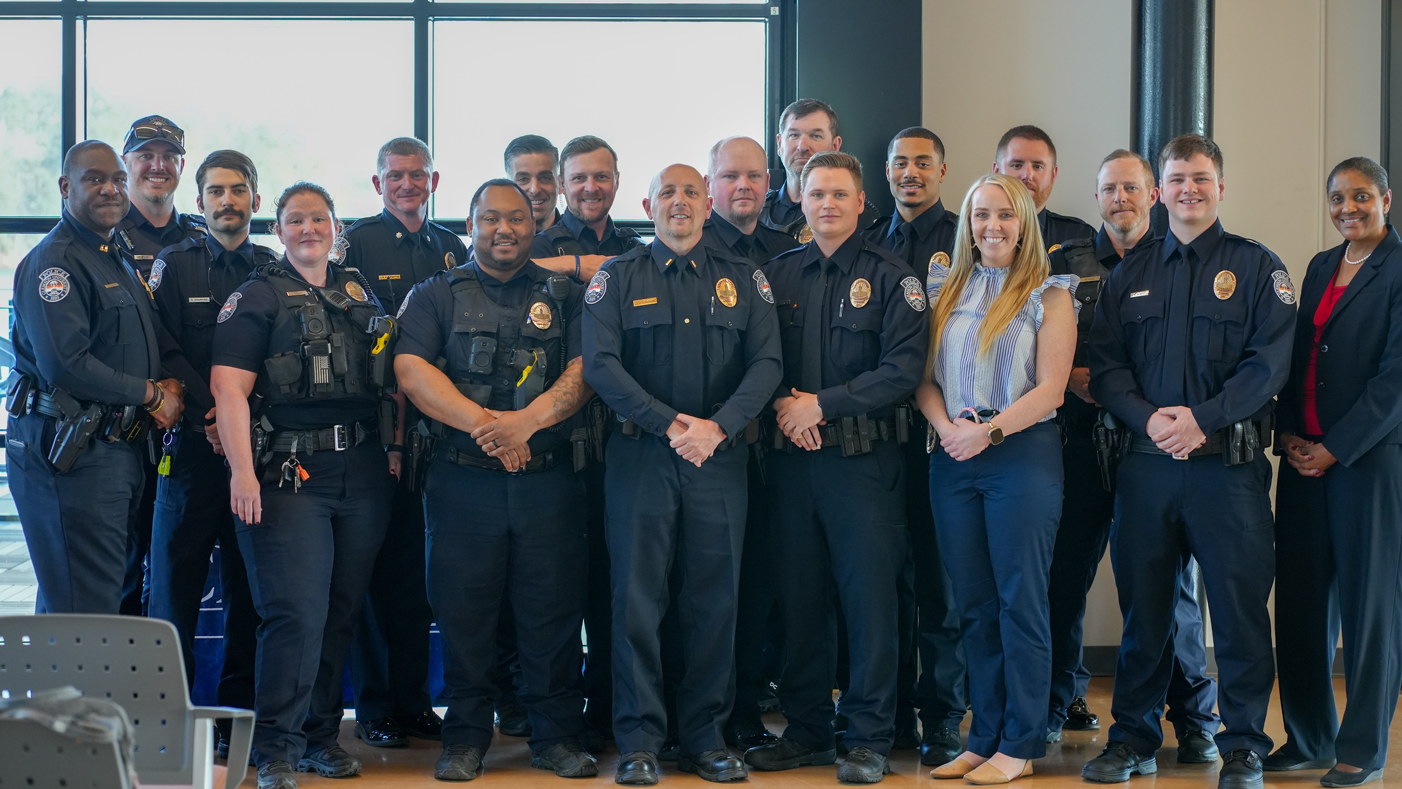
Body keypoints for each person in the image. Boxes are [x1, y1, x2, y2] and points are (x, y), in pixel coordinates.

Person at [1083, 134, 1295, 789]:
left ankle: (1243, 746)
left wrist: (1202, 418)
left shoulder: (1257, 267)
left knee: (1238, 614)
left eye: (1200, 178)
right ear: (1160, 191)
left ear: (1220, 187)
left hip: (1225, 470)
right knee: (1145, 614)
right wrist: (1148, 419)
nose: (1188, 189)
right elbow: (1107, 366)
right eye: (1176, 179)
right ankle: (1133, 738)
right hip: (1146, 467)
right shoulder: (1130, 274)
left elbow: (1269, 365)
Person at [583, 163, 782, 785]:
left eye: (691, 191)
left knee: (713, 601)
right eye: (666, 192)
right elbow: (601, 365)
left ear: (707, 203)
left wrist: (717, 427)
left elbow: (768, 364)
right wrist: (671, 424)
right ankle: (639, 741)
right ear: (648, 206)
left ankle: (705, 738)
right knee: (636, 601)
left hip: (718, 460)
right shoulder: (617, 276)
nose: (679, 202)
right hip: (642, 458)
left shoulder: (744, 278)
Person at [394, 179, 597, 781]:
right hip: (463, 484)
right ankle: (464, 739)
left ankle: (556, 738)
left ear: (535, 224)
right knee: (464, 614)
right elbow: (411, 369)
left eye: (516, 218)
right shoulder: (434, 293)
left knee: (552, 613)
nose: (503, 229)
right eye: (490, 218)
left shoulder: (569, 297)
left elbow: (586, 370)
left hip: (548, 482)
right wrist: (491, 427)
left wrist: (526, 424)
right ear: (470, 225)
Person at [210, 182, 402, 789]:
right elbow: (228, 389)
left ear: (335, 226)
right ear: (279, 230)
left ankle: (320, 738)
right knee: (295, 612)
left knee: (341, 609)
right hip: (288, 475)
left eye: (318, 219)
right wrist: (243, 472)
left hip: (362, 470)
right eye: (295, 220)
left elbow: (390, 376)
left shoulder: (356, 289)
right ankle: (276, 750)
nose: (308, 229)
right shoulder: (257, 296)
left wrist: (396, 449)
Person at [744, 151, 927, 784]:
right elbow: (755, 359)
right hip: (792, 465)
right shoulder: (775, 276)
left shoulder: (892, 277)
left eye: (839, 194)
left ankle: (870, 736)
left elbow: (903, 370)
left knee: (869, 604)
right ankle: (807, 732)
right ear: (800, 198)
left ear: (860, 202)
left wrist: (820, 405)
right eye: (816, 193)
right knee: (800, 600)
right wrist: (782, 405)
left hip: (863, 464)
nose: (826, 204)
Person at [1044, 150, 1219, 755]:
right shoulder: (1061, 263)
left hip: (1151, 445)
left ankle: (1193, 717)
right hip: (1076, 443)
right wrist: (1065, 376)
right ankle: (1055, 703)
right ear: (1096, 198)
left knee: (1171, 585)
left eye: (1131, 188)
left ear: (1153, 195)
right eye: (1109, 189)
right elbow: (1029, 338)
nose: (1120, 198)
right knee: (1063, 577)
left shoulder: (1180, 259)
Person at [915, 172, 1075, 785]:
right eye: (981, 214)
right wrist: (948, 429)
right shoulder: (945, 290)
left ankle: (1021, 742)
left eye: (1005, 214)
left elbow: (1052, 389)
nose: (992, 225)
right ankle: (982, 738)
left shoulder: (1049, 293)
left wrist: (988, 432)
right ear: (967, 223)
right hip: (953, 455)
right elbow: (924, 380)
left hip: (1020, 455)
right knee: (974, 605)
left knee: (1019, 601)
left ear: (1024, 222)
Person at [9, 139, 185, 614]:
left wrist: (165, 382)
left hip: (113, 448)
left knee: (79, 598)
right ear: (65, 187)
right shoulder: (56, 263)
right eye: (95, 179)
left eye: (117, 180)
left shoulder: (111, 253)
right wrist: (151, 395)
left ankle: (65, 669)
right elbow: (67, 364)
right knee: (85, 608)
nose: (111, 189)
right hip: (71, 453)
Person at [1270, 156, 1402, 788]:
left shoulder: (1398, 268)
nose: (1348, 208)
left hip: (1367, 462)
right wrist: (1288, 432)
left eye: (1361, 197)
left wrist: (1337, 447)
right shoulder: (1322, 265)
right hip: (1304, 458)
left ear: (1386, 200)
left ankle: (1362, 749)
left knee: (1368, 606)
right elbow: (1299, 356)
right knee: (1299, 602)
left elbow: (1396, 379)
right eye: (1337, 199)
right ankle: (1308, 738)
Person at [148, 150, 273, 747]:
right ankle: (169, 724)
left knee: (249, 594)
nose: (228, 200)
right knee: (174, 591)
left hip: (253, 457)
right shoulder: (174, 265)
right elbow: (163, 350)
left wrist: (237, 422)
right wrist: (214, 414)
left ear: (255, 199)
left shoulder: (272, 269)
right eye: (216, 191)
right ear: (198, 202)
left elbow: (278, 359)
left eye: (238, 190)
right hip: (192, 456)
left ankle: (233, 723)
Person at [340, 136, 461, 750]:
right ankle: (374, 707)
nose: (408, 185)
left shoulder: (451, 247)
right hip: (374, 434)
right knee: (369, 574)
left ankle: (414, 703)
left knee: (416, 575)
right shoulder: (356, 244)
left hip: (432, 435)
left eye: (418, 175)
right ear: (378, 183)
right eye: (396, 176)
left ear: (433, 181)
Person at [862, 126, 965, 765]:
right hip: (879, 440)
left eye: (923, 163)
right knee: (884, 584)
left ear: (942, 172)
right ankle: (894, 713)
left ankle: (944, 717)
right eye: (900, 162)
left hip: (944, 436)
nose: (910, 173)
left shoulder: (966, 238)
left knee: (941, 585)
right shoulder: (869, 240)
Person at [698, 135, 798, 750]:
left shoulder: (788, 253)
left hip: (775, 451)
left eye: (755, 176)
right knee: (709, 587)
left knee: (761, 583)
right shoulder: (690, 247)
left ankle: (745, 707)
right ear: (711, 184)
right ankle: (701, 713)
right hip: (709, 449)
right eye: (730, 175)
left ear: (770, 183)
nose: (743, 186)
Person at [116, 114, 207, 616]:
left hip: (187, 427)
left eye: (169, 156)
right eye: (146, 155)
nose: (158, 165)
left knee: (175, 567)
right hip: (122, 427)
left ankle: (164, 663)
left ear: (181, 167)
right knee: (122, 566)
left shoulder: (200, 236)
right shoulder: (105, 235)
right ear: (126, 163)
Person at [530, 135, 643, 282]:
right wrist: (574, 265)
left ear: (616, 182)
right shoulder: (538, 249)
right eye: (579, 178)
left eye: (601, 177)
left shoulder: (635, 248)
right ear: (561, 184)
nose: (591, 188)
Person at [761, 99, 877, 241]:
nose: (802, 146)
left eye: (815, 136)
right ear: (779, 144)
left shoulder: (856, 213)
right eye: (794, 135)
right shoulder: (757, 209)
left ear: (835, 146)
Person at [992, 125, 1094, 255]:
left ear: (1053, 174)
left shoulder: (1081, 238)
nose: (1027, 175)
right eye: (1017, 165)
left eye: (1037, 166)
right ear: (997, 172)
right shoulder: (973, 235)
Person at [507, 134, 564, 233]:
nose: (535, 190)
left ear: (560, 184)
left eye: (545, 178)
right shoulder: (490, 241)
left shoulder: (586, 239)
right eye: (523, 179)